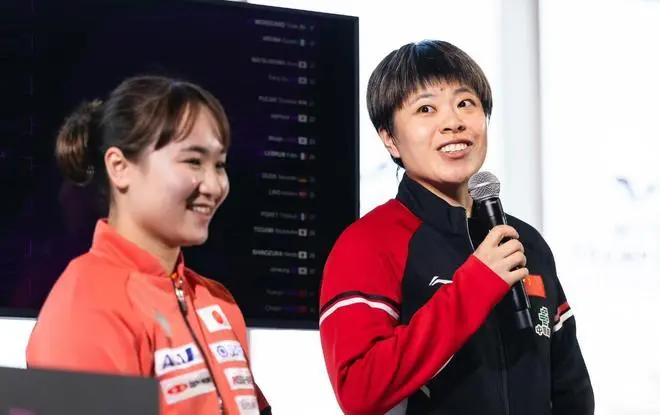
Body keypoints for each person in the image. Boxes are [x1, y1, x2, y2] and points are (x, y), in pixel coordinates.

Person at [319, 40, 594, 415]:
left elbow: (569, 388)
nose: (453, 123)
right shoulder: (369, 242)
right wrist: (476, 285)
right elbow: (359, 390)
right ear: (390, 138)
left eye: (466, 103)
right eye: (426, 109)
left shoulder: (524, 240)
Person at [26, 75, 271, 415]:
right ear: (120, 167)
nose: (215, 186)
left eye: (219, 165)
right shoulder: (87, 304)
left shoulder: (216, 301)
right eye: (193, 161)